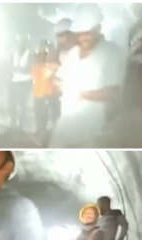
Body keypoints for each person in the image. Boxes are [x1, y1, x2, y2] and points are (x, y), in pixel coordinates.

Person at [50, 4, 125, 147]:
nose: (83, 37)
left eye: (88, 33)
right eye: (80, 33)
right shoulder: (73, 53)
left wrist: (81, 94)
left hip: (92, 128)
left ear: (98, 29)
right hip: (66, 122)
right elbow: (59, 78)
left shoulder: (111, 53)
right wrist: (56, 82)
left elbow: (114, 93)